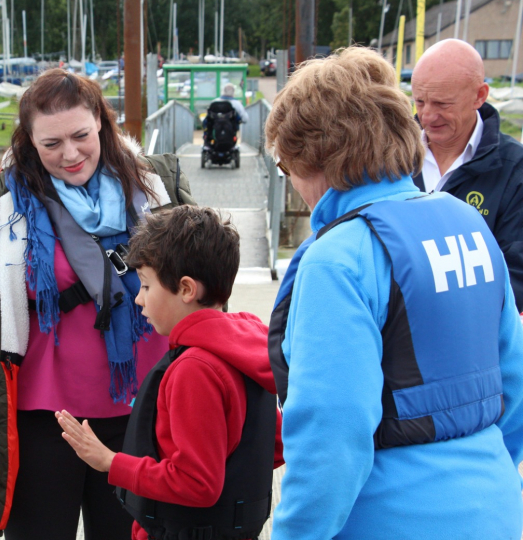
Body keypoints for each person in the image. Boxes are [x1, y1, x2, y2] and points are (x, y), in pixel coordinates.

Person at [265, 47, 523, 539]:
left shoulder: (338, 257)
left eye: (285, 166)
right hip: (492, 506)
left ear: (311, 158)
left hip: (387, 516)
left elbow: (331, 437)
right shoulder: (467, 222)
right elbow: (514, 378)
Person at [0, 68, 196, 540]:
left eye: (80, 136)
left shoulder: (158, 189)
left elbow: (201, 287)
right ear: (28, 141)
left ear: (101, 122)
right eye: (51, 143)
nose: (70, 154)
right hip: (41, 423)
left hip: (144, 413)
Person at [56, 205, 284, 540]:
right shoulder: (248, 348)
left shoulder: (195, 370)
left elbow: (197, 483)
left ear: (187, 290)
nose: (138, 299)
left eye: (146, 286)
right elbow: (275, 446)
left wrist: (110, 462)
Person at [412, 39, 523, 313]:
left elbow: (516, 272)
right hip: (395, 338)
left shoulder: (514, 168)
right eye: (419, 101)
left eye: (442, 103)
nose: (427, 115)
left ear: (480, 95)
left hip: (473, 335)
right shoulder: (386, 156)